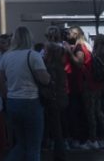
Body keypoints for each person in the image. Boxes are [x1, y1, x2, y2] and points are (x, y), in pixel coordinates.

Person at [0, 26, 50, 161]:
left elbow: (0, 81)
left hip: (12, 102)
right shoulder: (33, 55)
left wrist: (7, 96)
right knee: (33, 146)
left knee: (21, 144)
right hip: (30, 101)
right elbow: (44, 79)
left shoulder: (6, 57)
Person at [42, 26, 69, 161]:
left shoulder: (49, 66)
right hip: (61, 96)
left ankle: (59, 152)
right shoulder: (60, 64)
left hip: (53, 97)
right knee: (58, 124)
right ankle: (59, 149)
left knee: (55, 125)